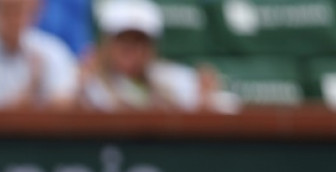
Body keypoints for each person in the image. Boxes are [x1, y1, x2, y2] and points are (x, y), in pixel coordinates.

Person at [80, 0, 235, 112]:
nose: (131, 49)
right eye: (123, 40)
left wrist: (205, 99)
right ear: (106, 43)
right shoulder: (89, 83)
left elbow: (226, 106)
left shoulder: (172, 78)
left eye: (140, 41)